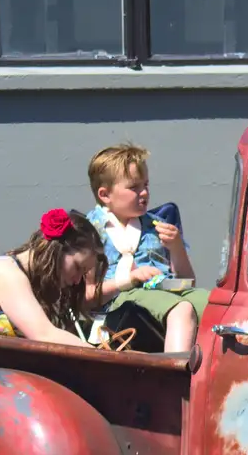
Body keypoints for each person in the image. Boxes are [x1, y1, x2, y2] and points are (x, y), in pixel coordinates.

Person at [84, 142, 210, 354]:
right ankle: (175, 377)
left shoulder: (157, 226)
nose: (144, 193)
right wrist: (131, 279)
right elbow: (87, 296)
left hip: (165, 288)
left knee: (220, 305)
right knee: (181, 309)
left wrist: (177, 247)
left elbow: (187, 283)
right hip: (121, 301)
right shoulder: (89, 232)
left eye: (146, 185)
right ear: (105, 195)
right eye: (134, 187)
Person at [0, 208, 107, 347]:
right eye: (78, 267)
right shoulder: (5, 273)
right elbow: (44, 335)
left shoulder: (31, 280)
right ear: (57, 250)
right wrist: (99, 357)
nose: (78, 280)